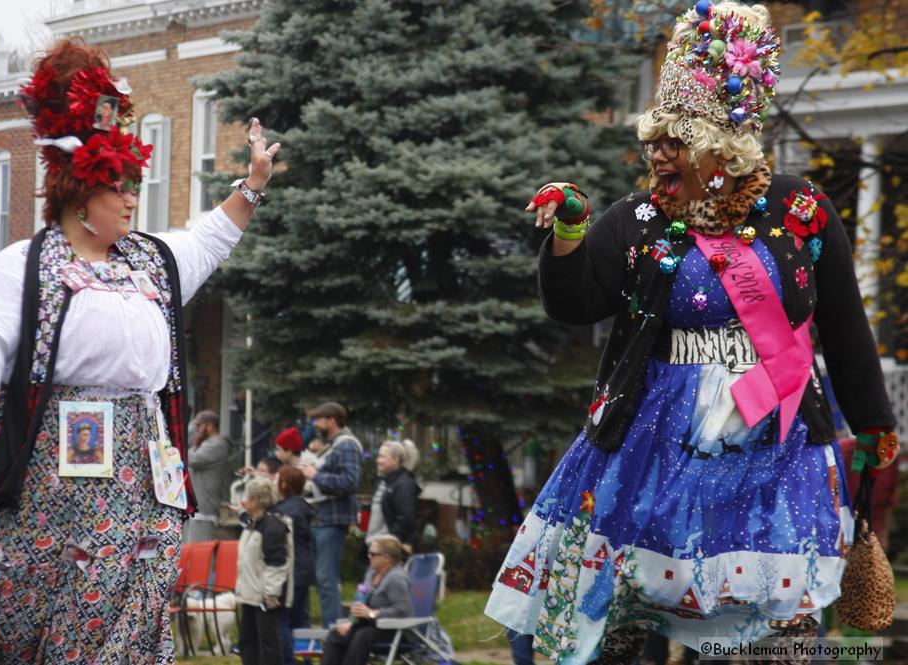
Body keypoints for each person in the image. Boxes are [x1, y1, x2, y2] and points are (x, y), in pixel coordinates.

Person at [484, 2, 899, 664]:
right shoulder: (639, 216)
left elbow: (846, 330)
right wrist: (566, 234)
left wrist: (876, 430)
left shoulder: (800, 213)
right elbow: (576, 302)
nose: (657, 152)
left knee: (767, 619)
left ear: (720, 147)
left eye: (675, 138)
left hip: (775, 444)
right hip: (654, 440)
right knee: (628, 602)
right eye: (654, 137)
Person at [0, 37, 280, 662]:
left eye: (134, 184)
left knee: (126, 587)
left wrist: (254, 183)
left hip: (141, 464)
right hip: (52, 463)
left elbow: (210, 238)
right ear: (80, 192)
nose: (133, 197)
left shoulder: (153, 262)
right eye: (119, 186)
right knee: (31, 584)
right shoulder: (27, 265)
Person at [300, 401, 363, 628]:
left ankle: (333, 632)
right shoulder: (333, 445)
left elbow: (350, 482)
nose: (315, 424)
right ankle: (327, 630)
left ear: (332, 420)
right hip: (320, 518)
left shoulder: (346, 445)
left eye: (319, 419)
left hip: (333, 520)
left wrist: (316, 476)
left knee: (327, 579)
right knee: (321, 578)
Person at [321, 535, 413, 665]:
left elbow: (403, 610)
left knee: (362, 636)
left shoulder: (396, 578)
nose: (369, 556)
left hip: (396, 631)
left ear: (386, 558)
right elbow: (362, 599)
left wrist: (372, 613)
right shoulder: (371, 572)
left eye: (373, 554)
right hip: (370, 625)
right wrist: (351, 623)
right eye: (369, 553)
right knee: (337, 634)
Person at [236, 476, 292, 665]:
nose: (244, 501)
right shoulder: (253, 523)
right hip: (250, 593)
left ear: (259, 500)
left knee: (268, 643)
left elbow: (277, 564)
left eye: (249, 497)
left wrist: (271, 594)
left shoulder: (273, 526)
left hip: (266, 597)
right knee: (246, 641)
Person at [273, 465, 316, 665]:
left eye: (276, 480)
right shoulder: (302, 507)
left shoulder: (285, 511)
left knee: (282, 620)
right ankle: (306, 661)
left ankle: (287, 661)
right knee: (301, 621)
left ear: (284, 484)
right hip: (304, 569)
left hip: (292, 571)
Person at [365, 440, 421, 551]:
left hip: (388, 551)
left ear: (395, 460)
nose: (377, 461)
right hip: (376, 547)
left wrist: (389, 544)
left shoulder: (404, 484)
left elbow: (405, 518)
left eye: (382, 457)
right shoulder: (383, 481)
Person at [185, 410, 231, 543]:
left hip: (204, 510)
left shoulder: (218, 444)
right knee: (188, 555)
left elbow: (191, 459)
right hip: (195, 508)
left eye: (199, 426)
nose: (196, 430)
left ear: (210, 426)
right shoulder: (202, 444)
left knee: (199, 555)